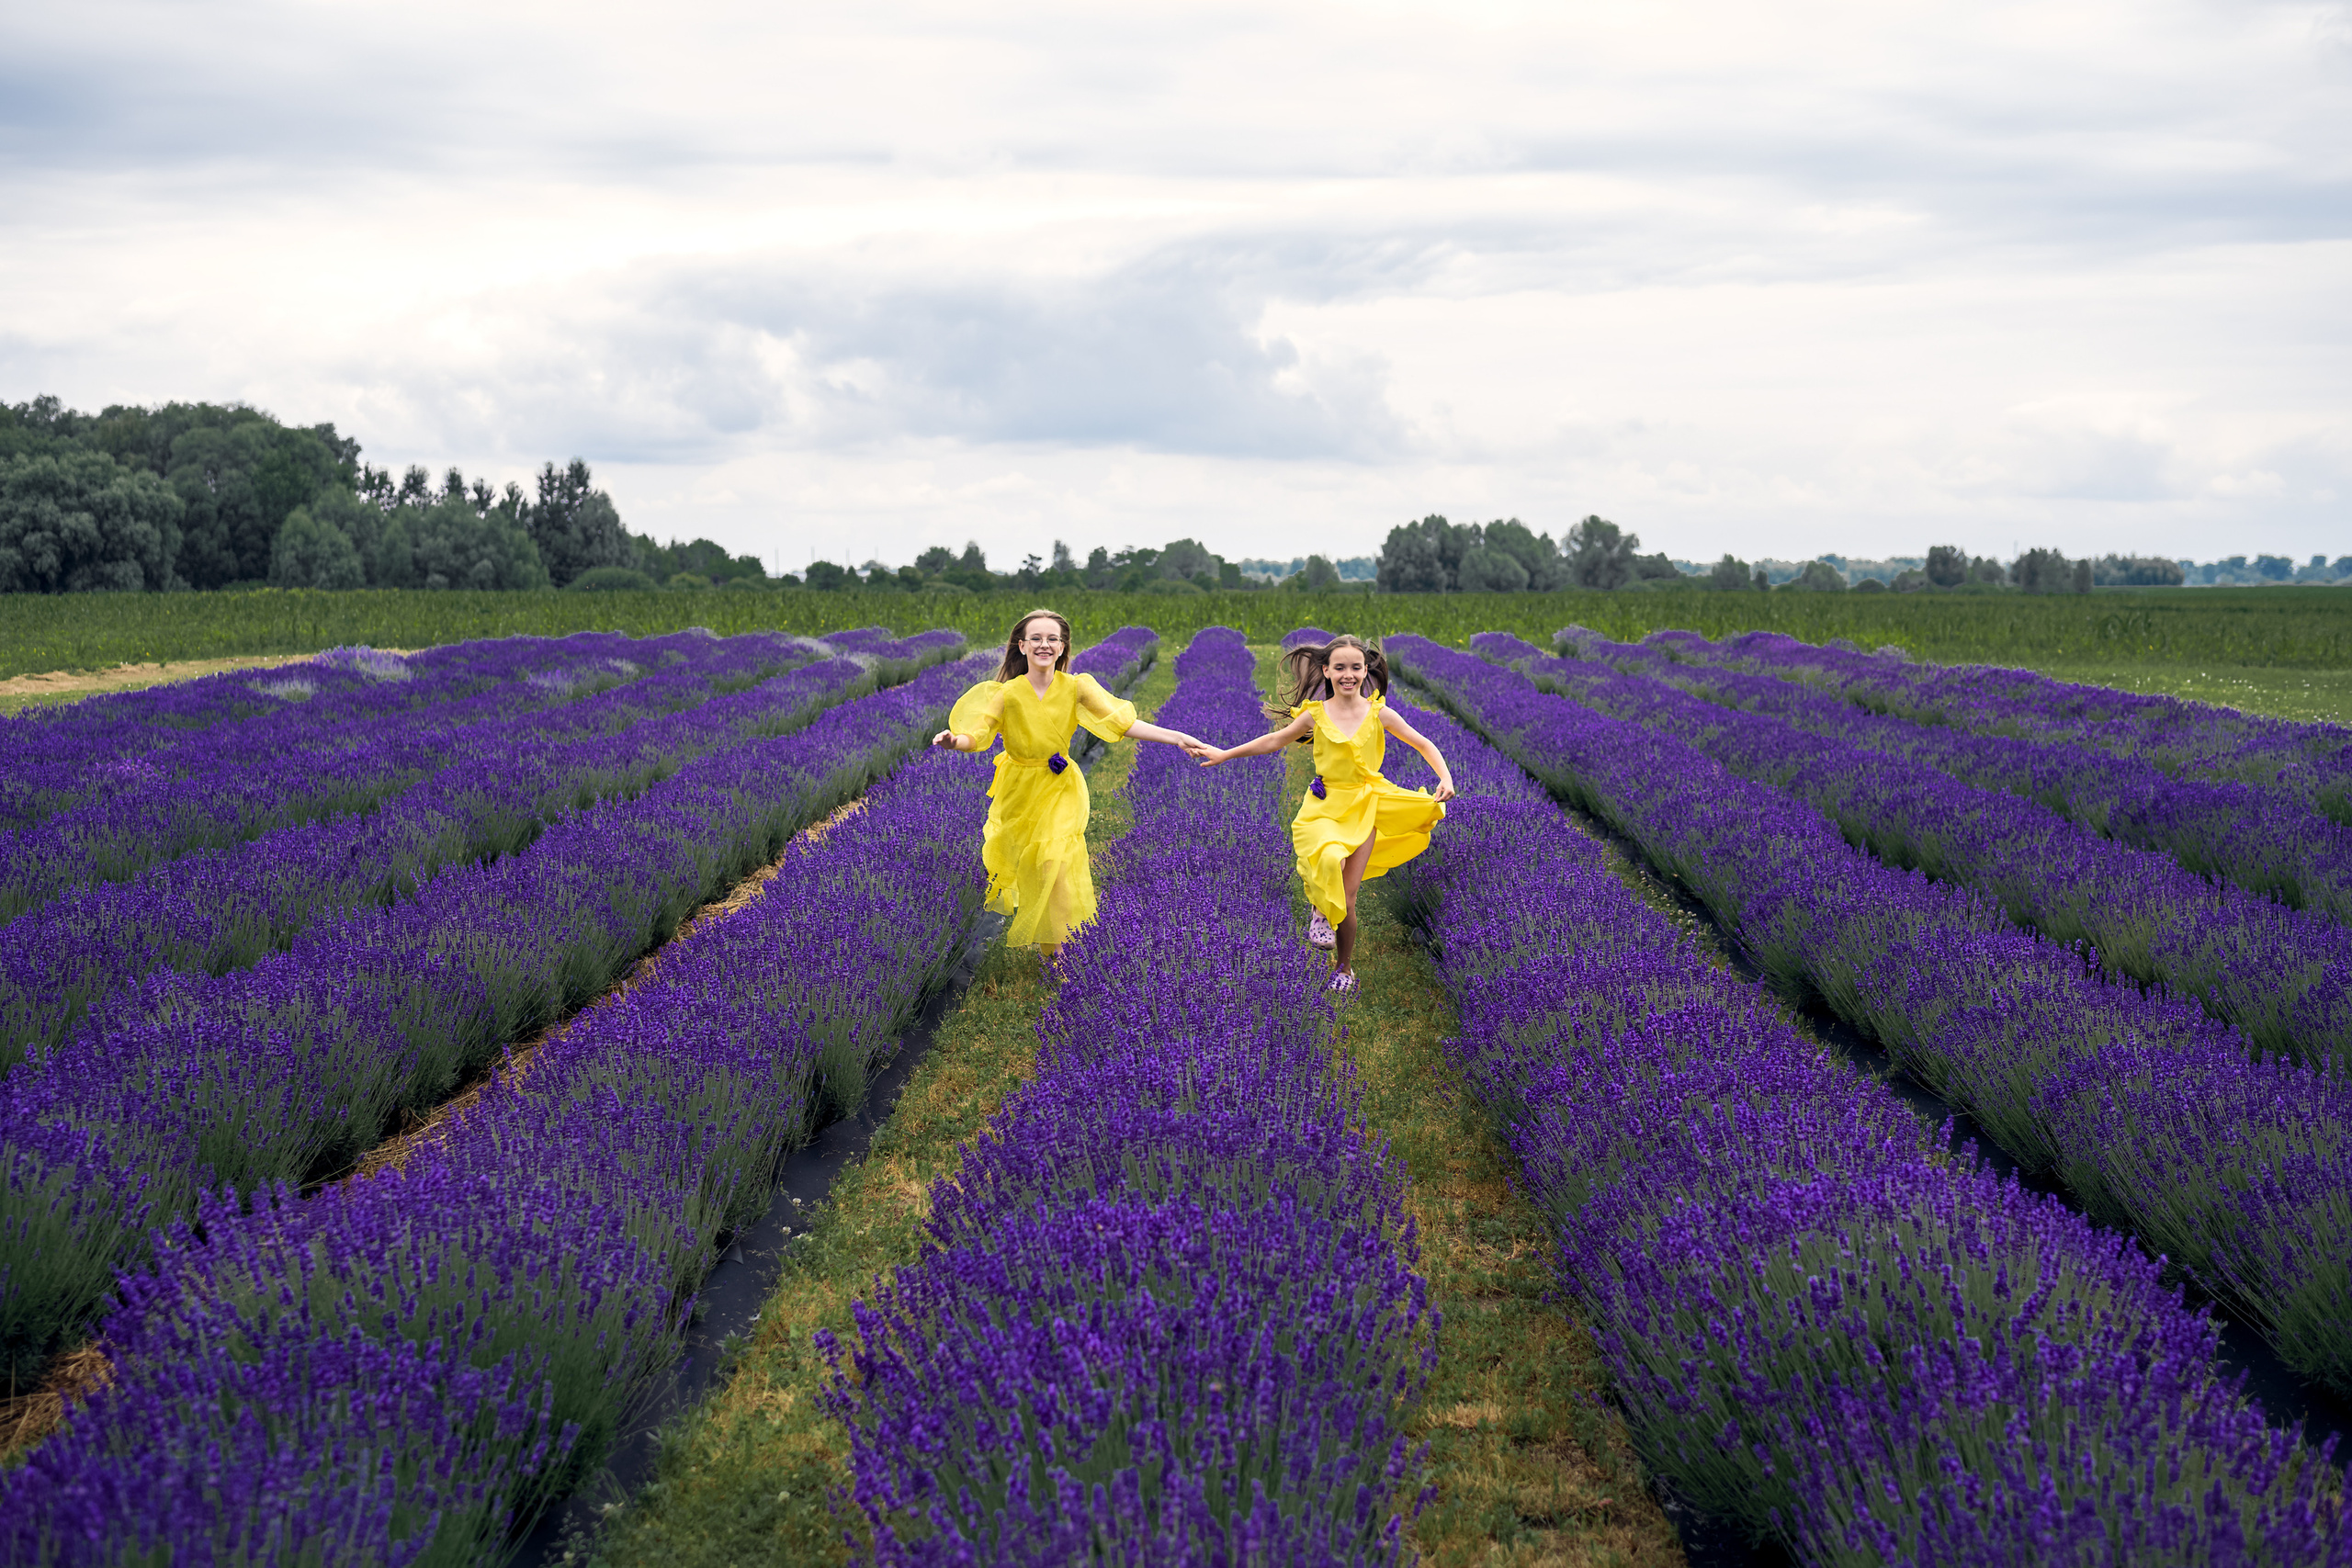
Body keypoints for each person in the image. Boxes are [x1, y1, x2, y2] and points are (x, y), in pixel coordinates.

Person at [933, 609, 1204, 965]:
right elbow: (978, 733)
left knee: (1057, 860)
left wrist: (1176, 737)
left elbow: (1123, 722)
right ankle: (1051, 944)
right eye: (1036, 638)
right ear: (1022, 645)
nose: (1044, 645)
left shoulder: (1077, 687)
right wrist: (956, 742)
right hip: (1019, 787)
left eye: (1052, 639)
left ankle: (1061, 948)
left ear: (1062, 648)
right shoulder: (1007, 693)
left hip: (1061, 785)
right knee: (1034, 863)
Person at [1190, 634, 1453, 993]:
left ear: (1366, 671)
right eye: (1340, 667)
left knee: (1348, 898)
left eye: (1356, 667)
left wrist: (1445, 776)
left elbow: (1422, 742)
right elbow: (1273, 741)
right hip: (1325, 806)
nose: (1349, 674)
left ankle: (1343, 968)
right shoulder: (1315, 715)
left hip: (1365, 806)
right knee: (1328, 856)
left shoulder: (1380, 713)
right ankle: (1318, 908)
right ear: (1326, 671)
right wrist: (1224, 753)